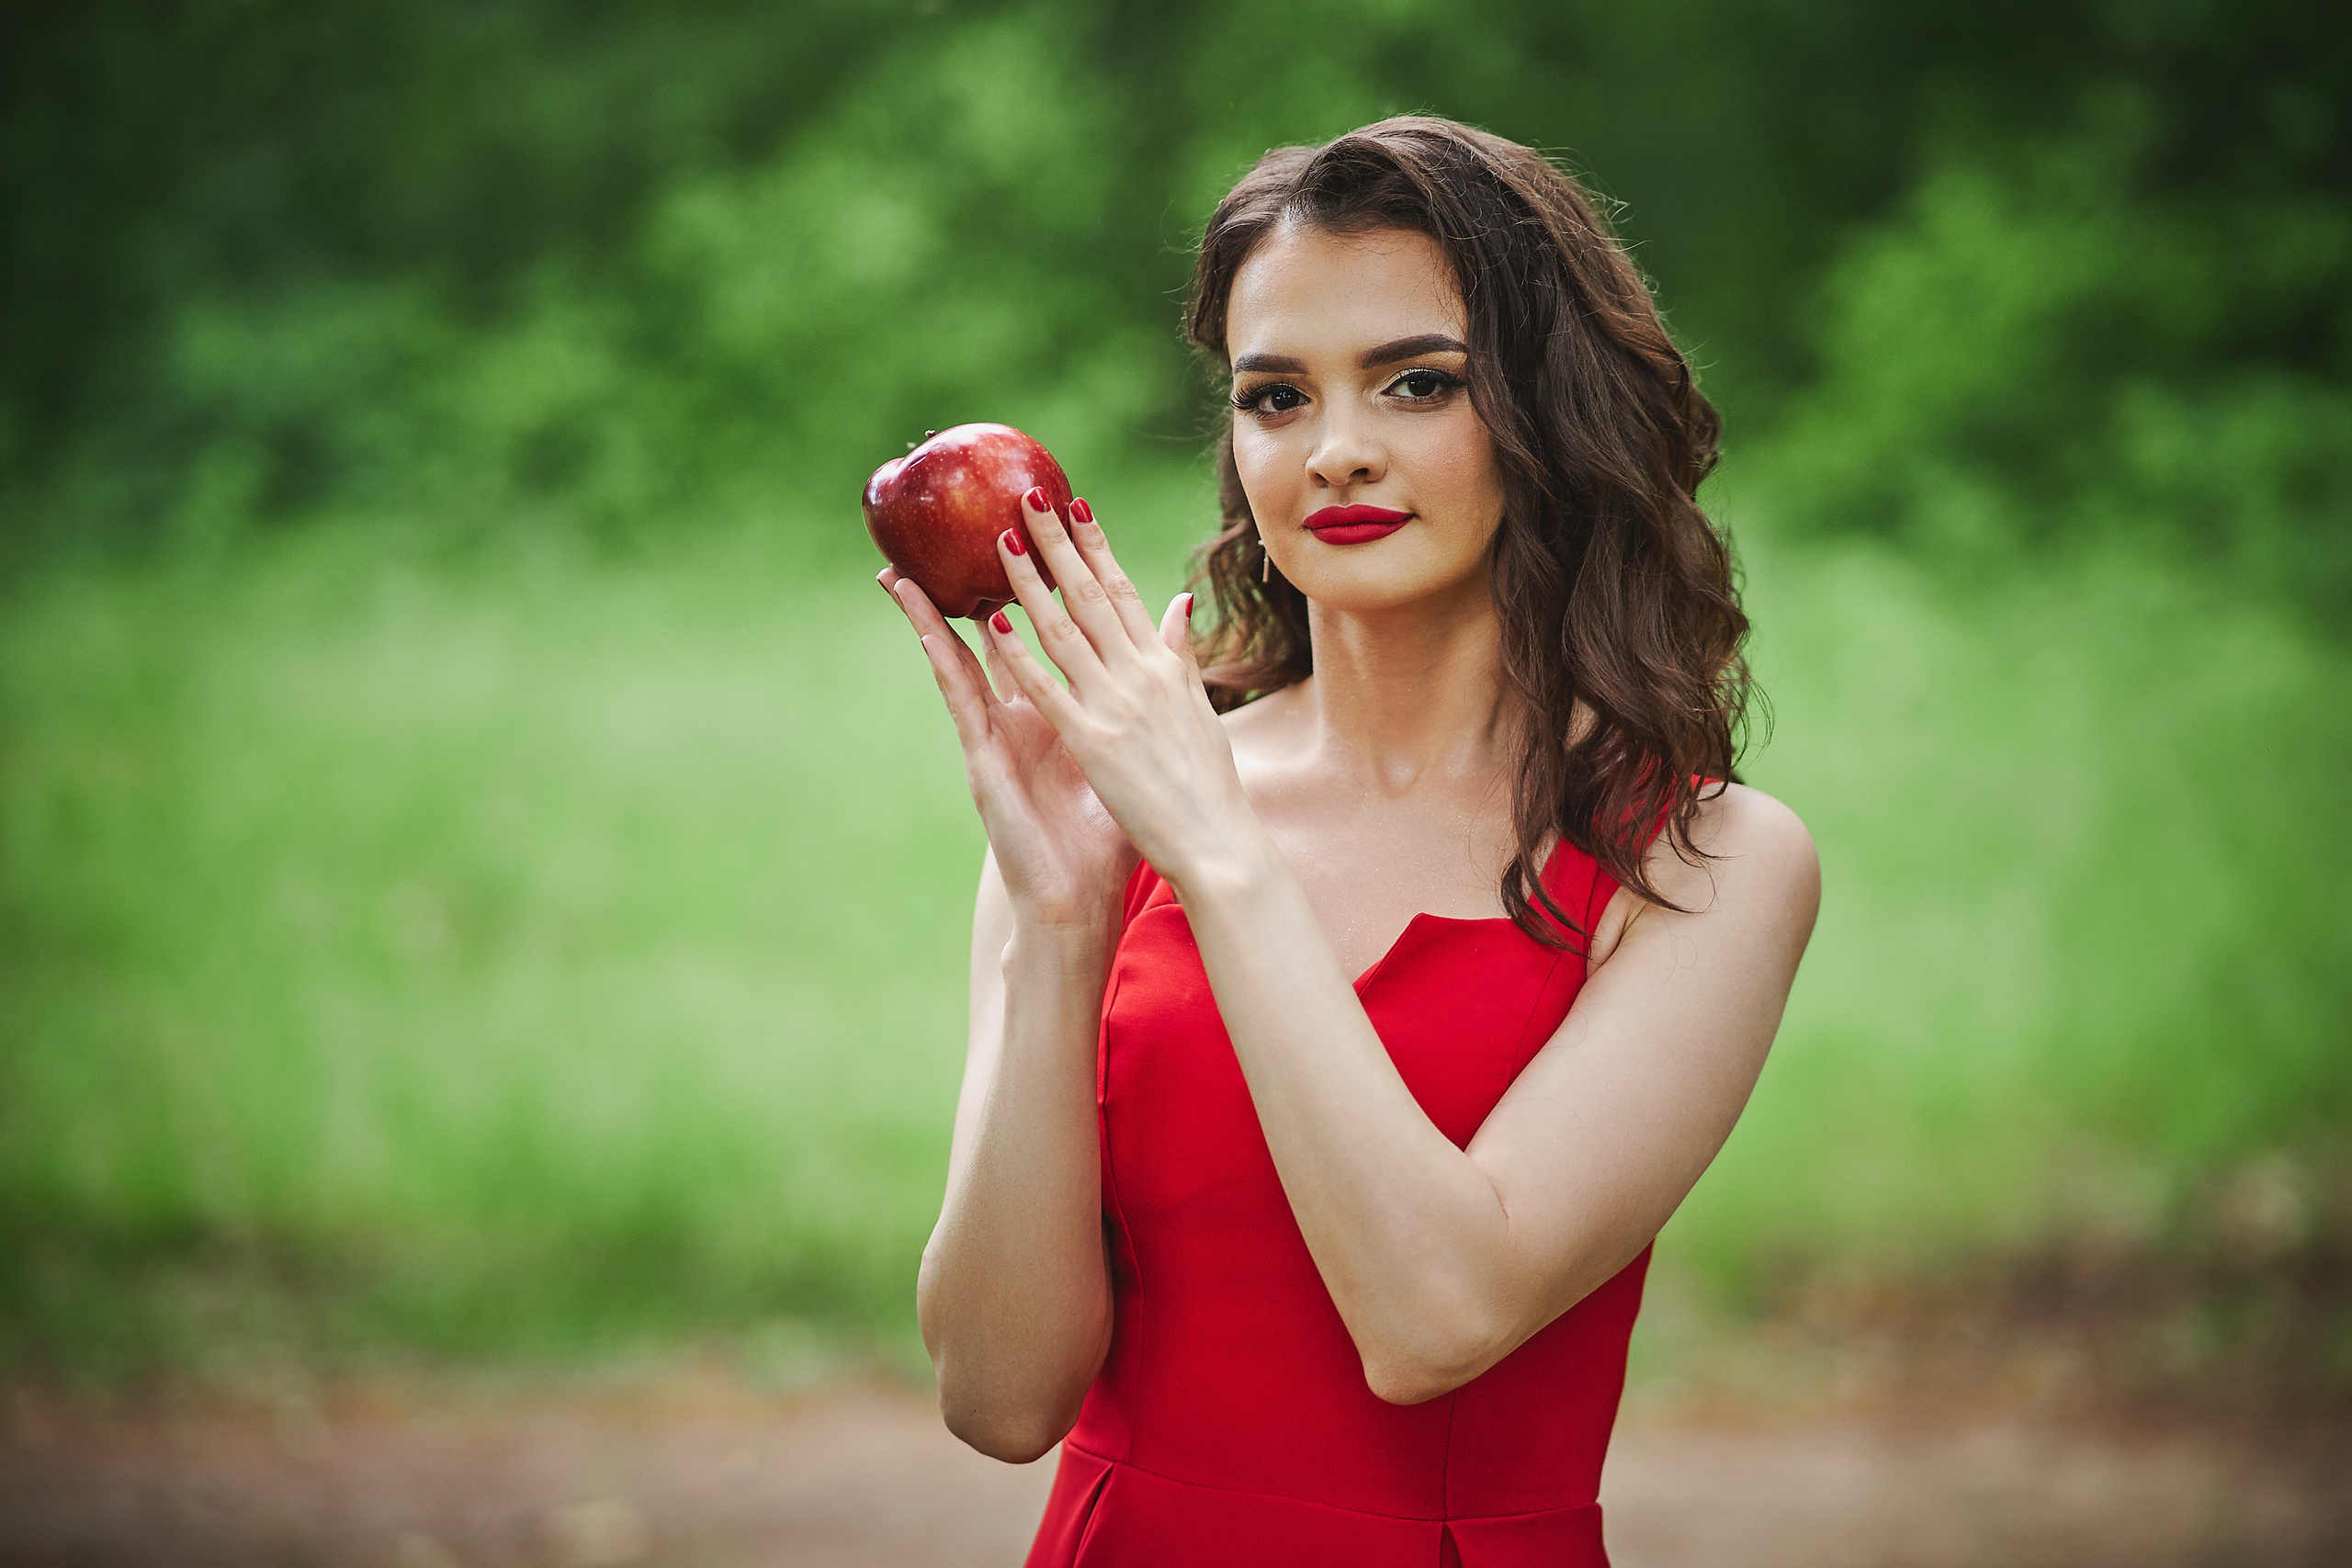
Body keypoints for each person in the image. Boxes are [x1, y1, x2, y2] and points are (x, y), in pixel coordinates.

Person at [880, 115, 1819, 1568]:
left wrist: (1225, 866)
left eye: (1418, 384)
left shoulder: (1707, 863)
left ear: (1545, 410)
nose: (1335, 454)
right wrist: (1061, 932)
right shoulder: (1107, 814)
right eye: (1275, 399)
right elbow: (1001, 1398)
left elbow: (1436, 1319)